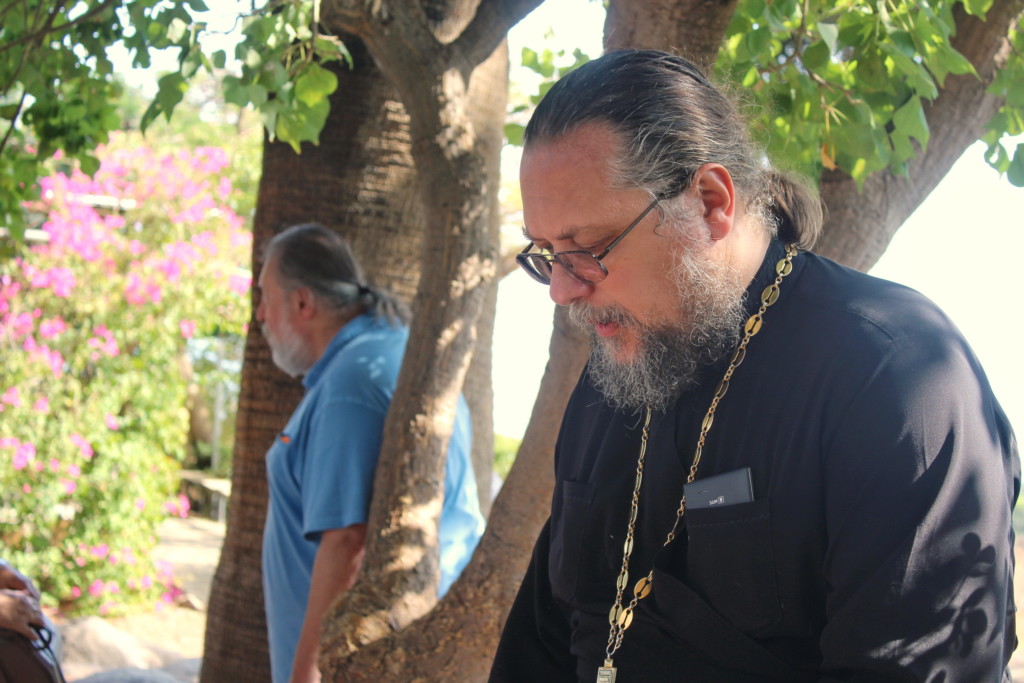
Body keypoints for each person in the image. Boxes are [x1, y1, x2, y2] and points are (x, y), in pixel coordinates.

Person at [490, 50, 1019, 682]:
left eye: (589, 247)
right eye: (548, 253)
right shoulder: (617, 371)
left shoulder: (897, 376)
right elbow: (542, 641)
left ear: (711, 202)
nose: (562, 289)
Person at [257, 223, 485, 683]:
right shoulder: (387, 352)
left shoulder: (353, 382)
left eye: (264, 297)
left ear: (302, 302)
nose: (260, 315)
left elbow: (349, 543)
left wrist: (305, 675)